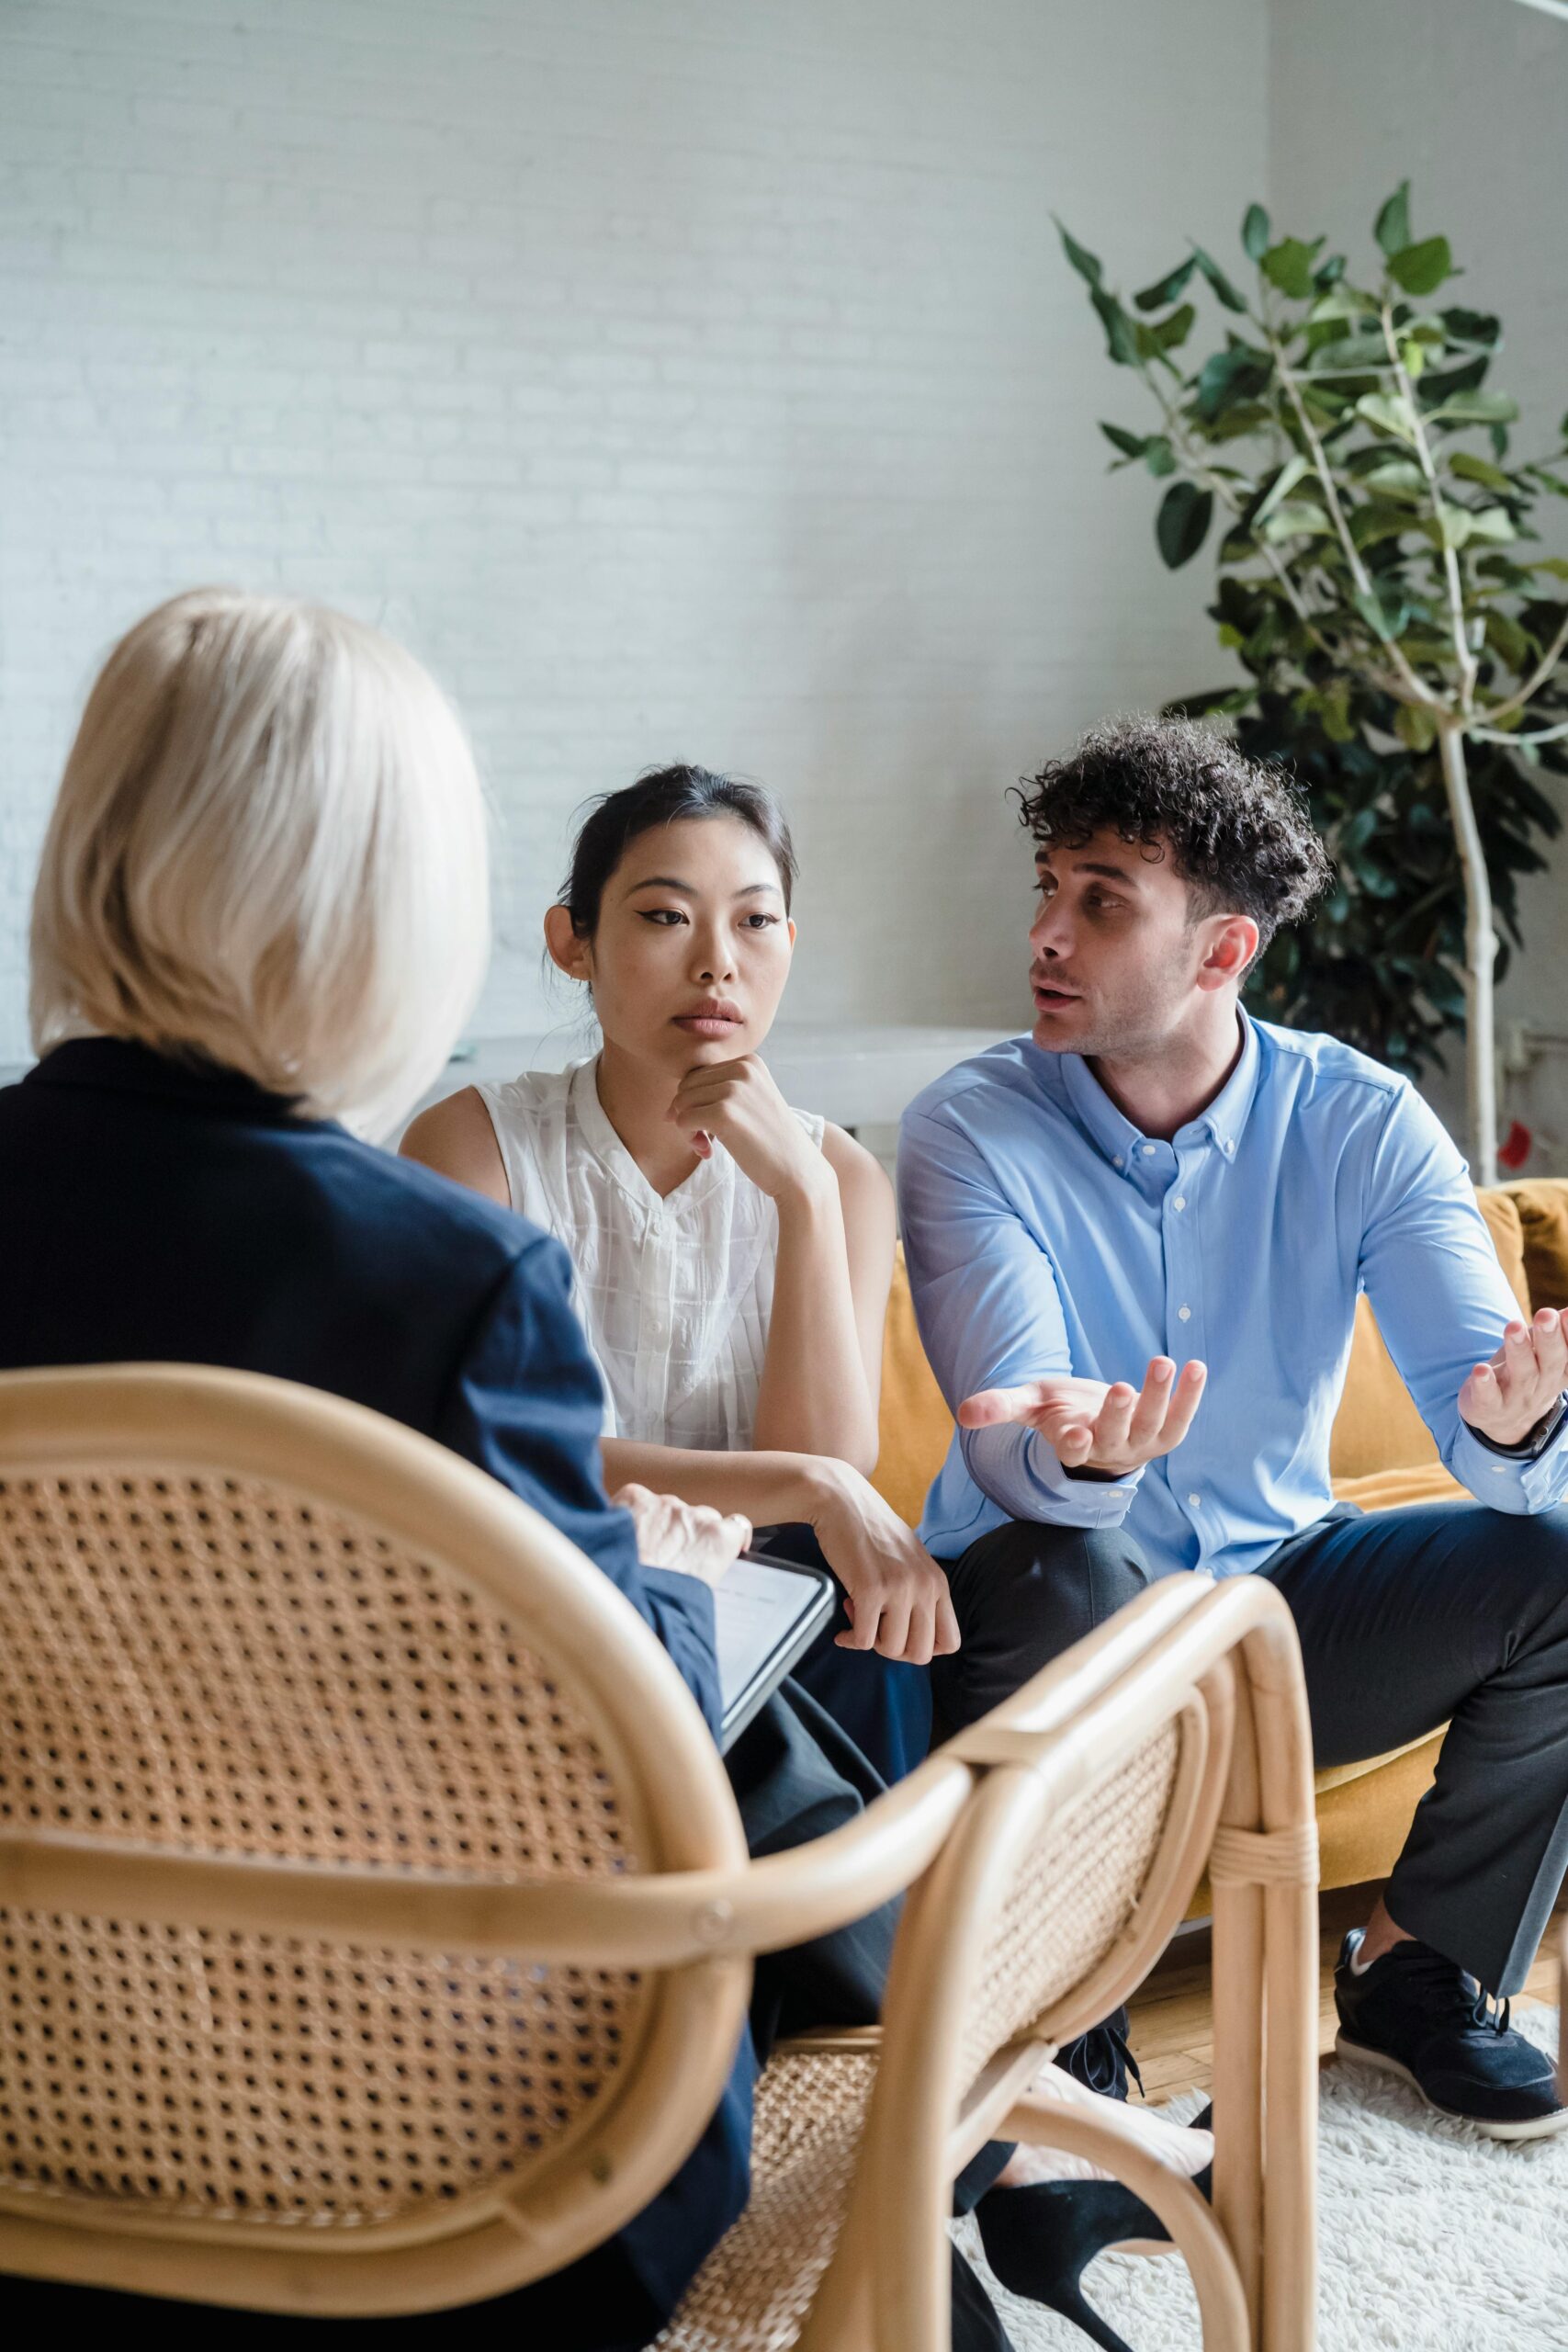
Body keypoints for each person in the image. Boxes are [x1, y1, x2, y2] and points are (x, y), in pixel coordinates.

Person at [0, 591, 1022, 2348]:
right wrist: (688, 1598)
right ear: (384, 910)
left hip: (41, 2099)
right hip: (463, 2141)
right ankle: (977, 2207)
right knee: (783, 1768)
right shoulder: (441, 1277)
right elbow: (601, 1754)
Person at [898, 712, 1568, 2144]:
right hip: (1037, 1621)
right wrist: (1076, 1455)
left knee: (1564, 1555)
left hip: (1272, 1603)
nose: (1044, 935)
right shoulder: (966, 1128)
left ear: (1220, 951)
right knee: (1059, 1560)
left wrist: (1517, 1427)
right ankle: (1058, 2028)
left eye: (1098, 901)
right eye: (1045, 887)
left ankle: (1413, 1970)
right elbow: (1006, 1420)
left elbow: (1486, 1418)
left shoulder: (1362, 1122)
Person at [400, 763, 953, 1784]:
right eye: (664, 916)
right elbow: (488, 1457)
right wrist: (816, 1486)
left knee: (869, 1626)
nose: (716, 964)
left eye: (754, 923)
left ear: (788, 945)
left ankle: (875, 1939)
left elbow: (822, 1468)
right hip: (552, 1588)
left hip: (771, 1597)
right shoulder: (472, 1147)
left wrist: (804, 1198)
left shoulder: (838, 1177)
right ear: (574, 942)